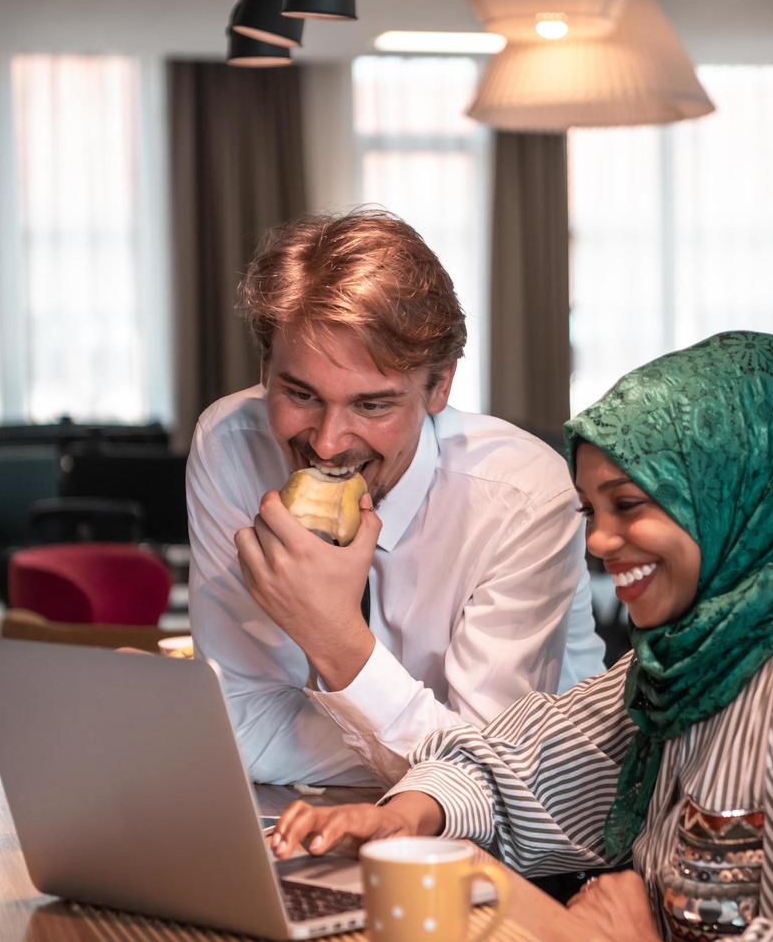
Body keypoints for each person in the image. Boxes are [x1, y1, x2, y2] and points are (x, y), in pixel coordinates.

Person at [269, 332, 773, 940]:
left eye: (629, 505)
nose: (598, 540)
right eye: (592, 510)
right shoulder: (684, 659)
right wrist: (406, 816)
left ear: (732, 495)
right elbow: (518, 765)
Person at [187, 209, 605, 786]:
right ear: (265, 370)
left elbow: (492, 784)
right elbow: (240, 725)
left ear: (440, 387)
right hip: (325, 818)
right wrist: (432, 752)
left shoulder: (523, 497)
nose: (328, 444)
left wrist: (334, 636)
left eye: (372, 405)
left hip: (544, 848)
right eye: (300, 393)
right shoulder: (231, 444)